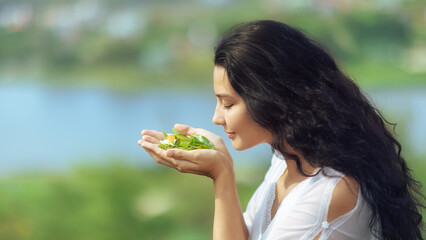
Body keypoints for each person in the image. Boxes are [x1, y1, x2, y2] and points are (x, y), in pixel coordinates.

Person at [138, 20, 424, 240]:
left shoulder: (328, 191)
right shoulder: (284, 161)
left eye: (227, 104)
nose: (216, 118)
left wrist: (222, 175)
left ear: (270, 96)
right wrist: (221, 168)